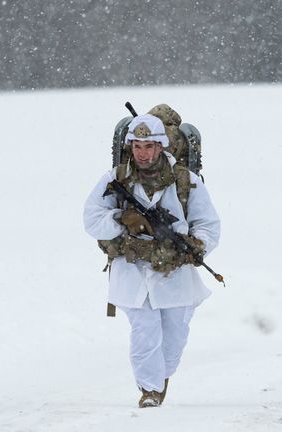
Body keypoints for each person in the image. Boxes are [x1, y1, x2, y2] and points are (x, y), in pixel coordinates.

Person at [83, 113, 221, 408]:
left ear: (161, 147)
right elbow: (92, 220)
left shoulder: (186, 181)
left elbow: (209, 225)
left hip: (175, 273)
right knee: (145, 332)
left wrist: (195, 247)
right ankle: (149, 391)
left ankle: (160, 378)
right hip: (132, 269)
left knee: (173, 339)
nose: (142, 153)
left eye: (149, 146)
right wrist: (121, 218)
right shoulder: (115, 179)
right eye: (137, 146)